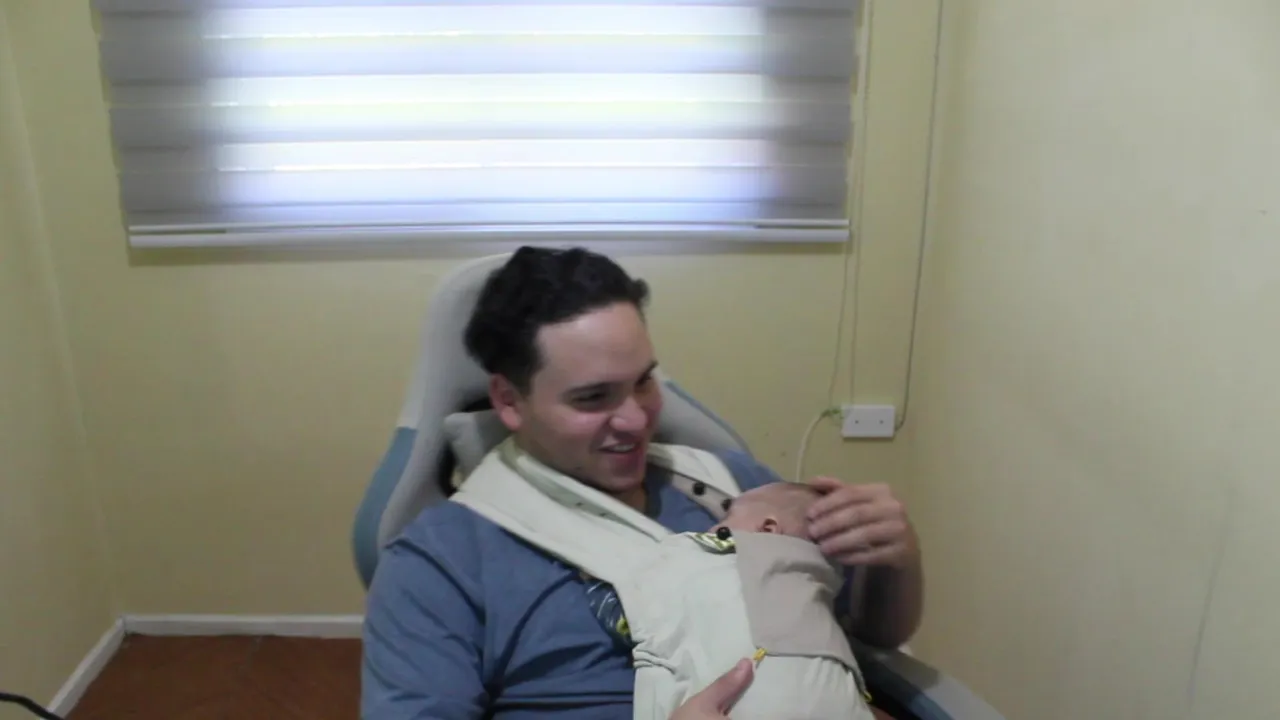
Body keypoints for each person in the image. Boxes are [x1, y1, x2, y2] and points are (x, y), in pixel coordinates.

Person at [361, 246, 924, 719]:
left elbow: (871, 634)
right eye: (593, 398)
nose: (635, 420)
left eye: (645, 383)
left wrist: (895, 560)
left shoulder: (739, 488)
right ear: (509, 400)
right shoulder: (442, 562)